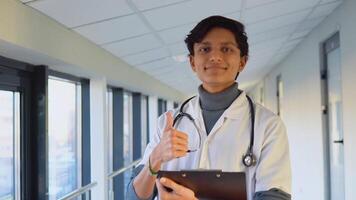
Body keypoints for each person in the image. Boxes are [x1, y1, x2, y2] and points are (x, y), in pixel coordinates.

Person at [126, 15, 291, 200]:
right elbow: (133, 196)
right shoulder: (167, 122)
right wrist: (156, 157)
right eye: (205, 49)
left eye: (226, 49)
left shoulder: (268, 125)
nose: (214, 56)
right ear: (192, 62)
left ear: (242, 62)